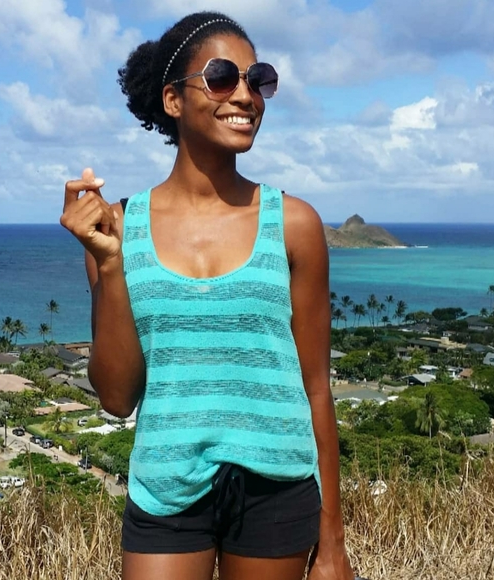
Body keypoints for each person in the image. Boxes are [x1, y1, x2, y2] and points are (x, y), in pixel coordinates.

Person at [61, 10, 354, 580]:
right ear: (173, 99)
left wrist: (333, 545)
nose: (245, 95)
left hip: (276, 489)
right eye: (221, 77)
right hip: (165, 489)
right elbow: (117, 397)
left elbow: (316, 388)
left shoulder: (294, 224)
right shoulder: (116, 228)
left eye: (259, 79)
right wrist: (111, 264)